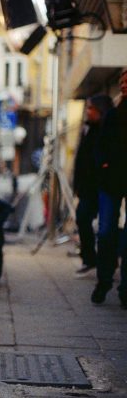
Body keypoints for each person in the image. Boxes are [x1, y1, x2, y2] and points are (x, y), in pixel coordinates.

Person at [91, 68, 127, 307]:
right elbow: (100, 145)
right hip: (110, 181)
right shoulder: (114, 114)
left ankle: (125, 288)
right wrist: (103, 165)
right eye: (122, 81)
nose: (123, 85)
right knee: (105, 232)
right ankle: (104, 280)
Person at [73, 95, 113, 275]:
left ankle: (107, 264)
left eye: (91, 108)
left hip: (103, 187)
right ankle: (90, 258)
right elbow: (81, 159)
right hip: (87, 188)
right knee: (83, 218)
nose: (88, 112)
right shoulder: (87, 129)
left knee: (106, 227)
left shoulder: (106, 130)